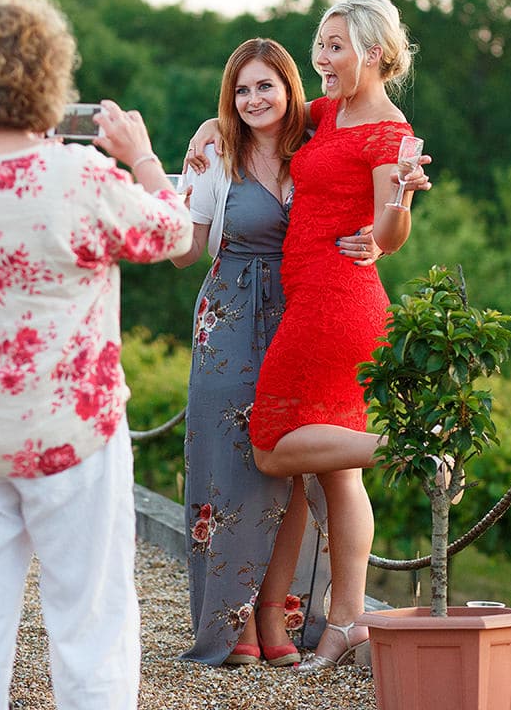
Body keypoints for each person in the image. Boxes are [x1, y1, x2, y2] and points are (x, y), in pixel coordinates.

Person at [0, 0, 192, 708]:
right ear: (50, 77)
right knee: (90, 621)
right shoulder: (80, 175)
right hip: (70, 425)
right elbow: (174, 234)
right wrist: (144, 157)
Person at [189, 0, 431, 671]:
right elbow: (265, 116)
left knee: (269, 443)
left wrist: (398, 204)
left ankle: (407, 447)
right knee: (336, 472)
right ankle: (346, 623)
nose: (321, 59)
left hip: (333, 302)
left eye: (335, 47)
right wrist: (213, 123)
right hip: (316, 298)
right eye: (320, 46)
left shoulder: (388, 131)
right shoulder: (329, 113)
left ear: (373, 53)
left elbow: (391, 233)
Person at [173, 38, 381, 668]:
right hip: (231, 315)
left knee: (291, 465)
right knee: (231, 463)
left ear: (292, 90)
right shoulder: (216, 154)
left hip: (304, 310)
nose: (253, 99)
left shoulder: (315, 148)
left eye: (266, 86)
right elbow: (187, 251)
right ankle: (230, 618)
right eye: (241, 90)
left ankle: (277, 613)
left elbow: (362, 191)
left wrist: (378, 235)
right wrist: (168, 192)